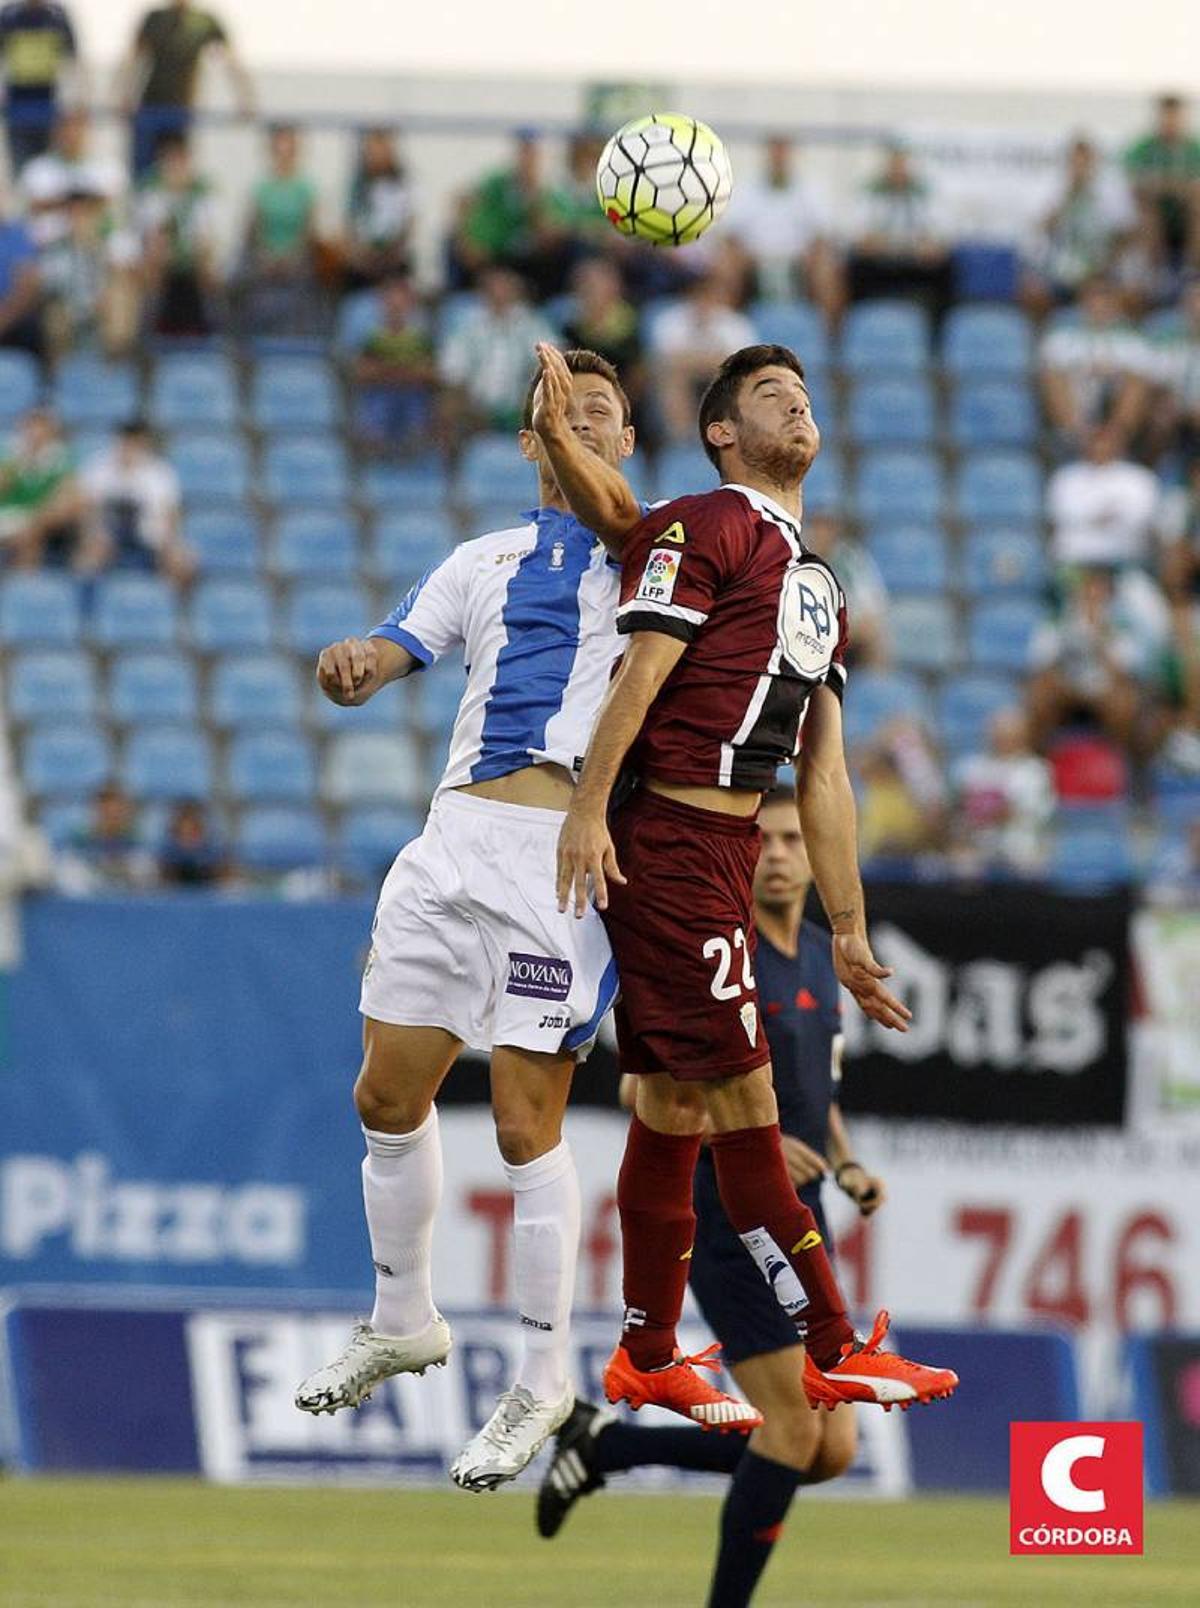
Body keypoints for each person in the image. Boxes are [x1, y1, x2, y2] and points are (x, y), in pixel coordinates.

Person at [291, 347, 756, 1494]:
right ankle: (404, 1317)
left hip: (559, 858)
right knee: (385, 1095)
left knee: (521, 1119)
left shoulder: (659, 549)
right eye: (560, 417)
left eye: (599, 417)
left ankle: (546, 1374)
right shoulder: (481, 558)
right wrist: (351, 665)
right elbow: (393, 652)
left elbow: (621, 525)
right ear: (524, 443)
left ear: (627, 446)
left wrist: (565, 431)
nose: (581, 428)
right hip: (450, 841)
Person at [547, 343, 959, 1426]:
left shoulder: (811, 578)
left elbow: (822, 770)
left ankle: (646, 1349)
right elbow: (643, 672)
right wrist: (590, 809)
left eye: (808, 395)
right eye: (773, 395)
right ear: (722, 430)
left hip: (724, 854)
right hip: (673, 834)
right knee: (746, 1099)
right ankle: (828, 1343)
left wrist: (852, 928)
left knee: (678, 1101)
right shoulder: (706, 524)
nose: (799, 405)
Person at [538, 791, 885, 1608]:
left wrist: (843, 1160)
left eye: (795, 838)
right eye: (762, 837)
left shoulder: (816, 954)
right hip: (730, 1212)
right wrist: (747, 1135)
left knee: (830, 1449)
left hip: (803, 1211)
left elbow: (813, 1092)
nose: (776, 852)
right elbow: (644, 1093)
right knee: (797, 1432)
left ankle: (610, 1448)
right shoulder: (711, 947)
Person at [117, 0, 254, 179]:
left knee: (176, 173)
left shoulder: (204, 21)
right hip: (149, 108)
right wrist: (121, 95)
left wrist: (246, 97)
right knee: (143, 174)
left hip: (181, 111)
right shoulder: (155, 18)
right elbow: (133, 57)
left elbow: (232, 62)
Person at [722, 134, 844, 320]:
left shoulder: (810, 188)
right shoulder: (746, 187)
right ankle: (729, 330)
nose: (779, 158)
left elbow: (821, 234)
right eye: (775, 153)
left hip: (799, 261)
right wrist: (746, 255)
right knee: (725, 270)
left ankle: (828, 340)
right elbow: (732, 234)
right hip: (753, 259)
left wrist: (810, 257)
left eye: (783, 153)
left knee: (826, 274)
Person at [437, 265, 556, 440]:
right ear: (483, 290)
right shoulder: (468, 325)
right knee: (447, 404)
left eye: (505, 286)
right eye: (494, 286)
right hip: (475, 406)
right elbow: (451, 370)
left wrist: (528, 396)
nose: (499, 292)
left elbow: (553, 360)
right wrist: (470, 404)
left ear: (516, 290)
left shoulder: (532, 323)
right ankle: (454, 466)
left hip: (520, 403)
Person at [1022, 135, 1136, 316]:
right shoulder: (1055, 189)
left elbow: (1127, 235)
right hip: (1061, 267)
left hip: (1102, 267)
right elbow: (1043, 229)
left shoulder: (1110, 192)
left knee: (1132, 294)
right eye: (1076, 162)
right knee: (1034, 292)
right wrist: (1069, 195)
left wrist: (1104, 265)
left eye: (1085, 162)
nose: (1080, 168)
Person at [78, 418, 194, 583]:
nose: (129, 447)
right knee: (87, 559)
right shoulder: (98, 468)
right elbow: (85, 508)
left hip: (149, 535)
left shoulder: (160, 472)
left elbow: (171, 514)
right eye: (126, 441)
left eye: (135, 442)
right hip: (108, 535)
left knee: (182, 562)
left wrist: (170, 543)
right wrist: (90, 534)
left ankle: (171, 606)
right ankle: (88, 605)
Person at [846, 141, 952, 320]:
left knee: (946, 268)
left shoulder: (924, 194)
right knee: (855, 268)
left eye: (903, 164)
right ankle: (857, 324)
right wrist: (880, 244)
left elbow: (940, 236)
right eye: (895, 165)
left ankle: (938, 329)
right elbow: (859, 238)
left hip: (914, 261)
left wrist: (931, 246)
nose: (899, 170)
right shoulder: (870, 193)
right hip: (879, 261)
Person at [650, 272, 757, 441]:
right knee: (672, 378)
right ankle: (683, 438)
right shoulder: (669, 321)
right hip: (683, 377)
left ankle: (725, 433)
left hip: (720, 378)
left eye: (709, 295)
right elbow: (667, 361)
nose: (704, 302)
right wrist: (712, 359)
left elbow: (741, 364)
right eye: (699, 295)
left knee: (735, 378)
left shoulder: (735, 323)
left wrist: (694, 360)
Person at [135, 131, 219, 337]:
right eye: (169, 161)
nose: (174, 168)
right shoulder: (150, 189)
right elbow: (154, 233)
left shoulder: (202, 190)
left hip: (191, 260)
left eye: (179, 160)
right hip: (163, 259)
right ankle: (150, 335)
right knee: (155, 258)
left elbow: (206, 235)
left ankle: (207, 329)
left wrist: (194, 254)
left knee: (206, 263)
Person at [348, 271, 436, 452]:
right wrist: (404, 371)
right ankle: (377, 449)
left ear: (411, 304)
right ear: (383, 304)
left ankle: (413, 448)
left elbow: (430, 372)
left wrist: (388, 371)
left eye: (402, 302)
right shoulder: (373, 338)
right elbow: (362, 373)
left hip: (413, 396)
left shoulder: (420, 338)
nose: (396, 306)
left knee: (418, 405)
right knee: (377, 404)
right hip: (380, 395)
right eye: (391, 301)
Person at [1124, 93, 1200, 275]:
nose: (1170, 123)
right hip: (1156, 215)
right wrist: (1173, 186)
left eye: (1174, 117)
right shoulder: (1143, 148)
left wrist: (1168, 185)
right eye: (1166, 117)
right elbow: (1136, 183)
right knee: (1147, 205)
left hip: (1187, 214)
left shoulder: (1194, 148)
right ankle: (1155, 272)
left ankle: (1192, 269)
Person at [0, 0, 80, 173]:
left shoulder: (58, 15)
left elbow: (72, 60)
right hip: (17, 105)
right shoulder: (8, 15)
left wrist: (74, 99)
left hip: (50, 104)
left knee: (49, 165)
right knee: (20, 165)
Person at [0, 404, 81, 566]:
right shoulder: (9, 454)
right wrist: (17, 465)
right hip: (7, 513)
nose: (35, 433)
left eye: (41, 427)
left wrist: (37, 520)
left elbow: (67, 496)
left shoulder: (61, 458)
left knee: (30, 536)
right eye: (31, 427)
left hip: (38, 518)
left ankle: (23, 583)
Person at [343, 126, 414, 290]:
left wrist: (390, 254)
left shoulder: (403, 184)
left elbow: (409, 223)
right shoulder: (357, 186)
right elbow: (349, 226)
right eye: (373, 151)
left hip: (394, 261)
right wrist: (362, 256)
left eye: (382, 150)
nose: (377, 156)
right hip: (361, 263)